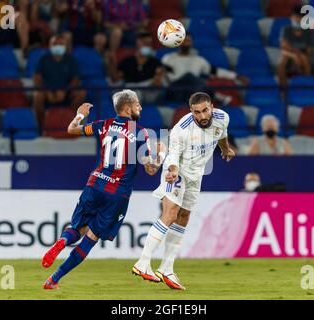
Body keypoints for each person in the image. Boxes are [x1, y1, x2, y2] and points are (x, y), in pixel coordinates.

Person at [42, 90, 164, 289]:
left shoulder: (102, 125)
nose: (140, 107)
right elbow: (150, 170)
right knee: (90, 238)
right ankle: (53, 279)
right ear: (127, 107)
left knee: (77, 228)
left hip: (94, 184)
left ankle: (63, 241)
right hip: (117, 194)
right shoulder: (140, 132)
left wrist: (80, 114)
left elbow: (72, 129)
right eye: (137, 104)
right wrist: (160, 155)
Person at [132, 92, 236, 290]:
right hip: (178, 172)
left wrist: (225, 149)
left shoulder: (223, 118)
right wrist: (171, 172)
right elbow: (173, 156)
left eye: (205, 110)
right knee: (170, 214)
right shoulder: (182, 129)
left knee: (184, 216)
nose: (202, 116)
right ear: (191, 112)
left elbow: (221, 134)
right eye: (197, 112)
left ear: (212, 107)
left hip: (196, 176)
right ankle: (143, 263)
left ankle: (167, 268)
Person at [161, 34, 249, 104]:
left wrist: (236, 76)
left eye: (188, 41)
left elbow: (215, 71)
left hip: (193, 92)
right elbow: (164, 76)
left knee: (197, 84)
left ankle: (213, 96)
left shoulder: (198, 60)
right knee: (189, 76)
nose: (186, 43)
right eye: (184, 41)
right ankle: (216, 96)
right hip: (175, 90)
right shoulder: (168, 58)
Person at [33, 34, 85, 128]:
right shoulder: (44, 59)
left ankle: (72, 123)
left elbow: (76, 79)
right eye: (55, 43)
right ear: (50, 46)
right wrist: (47, 91)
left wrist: (65, 91)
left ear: (65, 46)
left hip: (66, 93)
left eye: (60, 44)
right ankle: (41, 127)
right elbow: (37, 78)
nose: (57, 46)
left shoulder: (71, 60)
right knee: (37, 96)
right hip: (47, 93)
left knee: (81, 94)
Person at [110, 32, 164, 103]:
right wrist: (112, 62)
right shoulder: (127, 61)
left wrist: (158, 78)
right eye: (145, 43)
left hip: (148, 91)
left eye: (149, 44)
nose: (148, 46)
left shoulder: (155, 62)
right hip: (130, 89)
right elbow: (115, 79)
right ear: (138, 43)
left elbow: (158, 83)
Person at [278, 5, 314, 86]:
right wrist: (295, 56)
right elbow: (284, 48)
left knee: (305, 60)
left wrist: (299, 55)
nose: (298, 20)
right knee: (282, 64)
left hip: (304, 56)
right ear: (291, 17)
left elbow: (310, 51)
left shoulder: (309, 32)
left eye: (301, 18)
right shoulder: (286, 30)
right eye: (296, 17)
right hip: (290, 55)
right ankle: (282, 92)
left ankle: (306, 88)